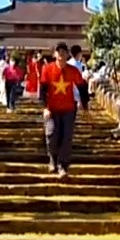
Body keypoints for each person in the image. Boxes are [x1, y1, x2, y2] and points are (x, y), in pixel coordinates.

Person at [42, 42, 85, 176]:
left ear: (67, 54)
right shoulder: (47, 69)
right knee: (52, 135)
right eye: (58, 52)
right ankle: (52, 160)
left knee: (66, 137)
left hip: (68, 109)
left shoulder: (73, 70)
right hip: (52, 109)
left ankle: (63, 165)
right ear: (55, 54)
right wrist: (45, 108)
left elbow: (82, 86)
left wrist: (85, 103)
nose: (61, 55)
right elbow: (42, 90)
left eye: (63, 52)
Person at [70, 45, 90, 112]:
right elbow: (85, 74)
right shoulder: (79, 65)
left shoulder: (68, 63)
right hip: (78, 89)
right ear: (78, 54)